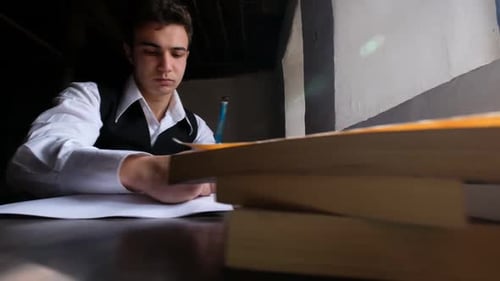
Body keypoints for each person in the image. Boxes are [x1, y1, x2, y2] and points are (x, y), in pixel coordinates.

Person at [6, 0, 216, 203]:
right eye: (151, 52)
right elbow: (29, 162)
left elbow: (219, 175)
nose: (166, 66)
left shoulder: (197, 128)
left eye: (177, 54)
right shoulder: (89, 97)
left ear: (186, 56)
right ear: (129, 53)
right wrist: (142, 171)